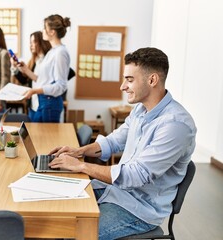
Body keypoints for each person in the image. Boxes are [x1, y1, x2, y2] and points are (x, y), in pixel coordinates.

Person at [48, 47, 197, 239]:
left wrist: (81, 165)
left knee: (75, 235)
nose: (122, 86)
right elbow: (113, 141)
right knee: (55, 207)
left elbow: (135, 175)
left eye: (129, 79)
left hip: (139, 209)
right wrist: (79, 151)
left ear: (152, 80)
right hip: (117, 191)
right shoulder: (140, 111)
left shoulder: (176, 125)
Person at [15, 14, 71, 122]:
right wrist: (26, 69)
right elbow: (42, 79)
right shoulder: (52, 52)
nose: (42, 31)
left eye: (45, 28)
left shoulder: (60, 53)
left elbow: (61, 86)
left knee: (46, 137)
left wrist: (35, 91)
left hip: (50, 102)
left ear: (52, 32)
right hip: (44, 101)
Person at [10, 31, 51, 120]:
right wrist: (15, 68)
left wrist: (26, 70)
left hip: (44, 103)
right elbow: (25, 81)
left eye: (33, 42)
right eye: (30, 42)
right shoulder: (34, 61)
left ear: (41, 42)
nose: (31, 45)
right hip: (32, 103)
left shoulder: (48, 60)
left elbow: (43, 81)